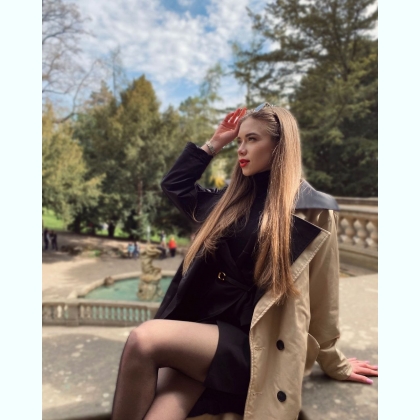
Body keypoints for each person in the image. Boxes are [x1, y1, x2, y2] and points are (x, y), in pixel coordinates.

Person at [111, 106, 378, 420]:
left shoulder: (312, 210)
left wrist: (334, 362)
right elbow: (175, 186)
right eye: (239, 141)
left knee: (144, 339)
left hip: (255, 346)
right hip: (204, 337)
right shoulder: (229, 201)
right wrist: (215, 143)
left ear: (279, 145)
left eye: (252, 139)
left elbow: (323, 296)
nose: (240, 149)